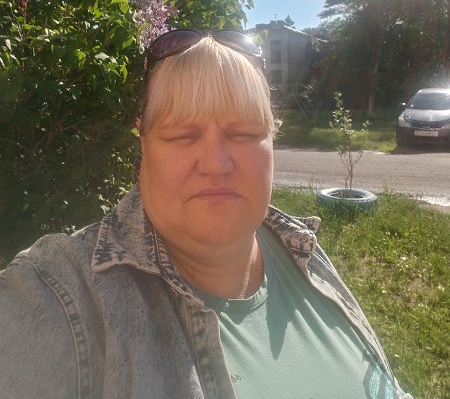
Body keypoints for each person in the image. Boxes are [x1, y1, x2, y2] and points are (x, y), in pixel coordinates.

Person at [0, 29, 412, 399]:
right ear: (143, 143)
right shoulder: (62, 297)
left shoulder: (304, 250)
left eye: (243, 133)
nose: (215, 163)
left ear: (272, 139)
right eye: (183, 135)